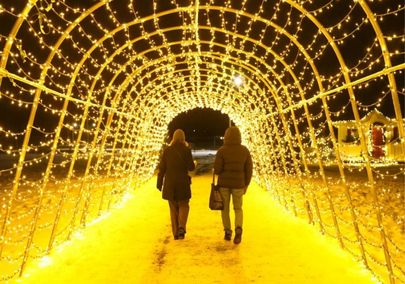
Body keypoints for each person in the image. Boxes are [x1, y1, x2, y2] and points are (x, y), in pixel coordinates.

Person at [213, 126, 253, 244]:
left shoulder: (222, 150)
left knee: (224, 208)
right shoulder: (244, 150)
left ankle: (227, 231)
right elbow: (249, 169)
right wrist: (246, 183)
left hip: (224, 184)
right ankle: (238, 228)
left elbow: (218, 169)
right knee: (238, 208)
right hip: (239, 184)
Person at [157, 129, 195, 240]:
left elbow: (162, 168)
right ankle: (181, 227)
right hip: (183, 182)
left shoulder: (167, 151)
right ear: (183, 138)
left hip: (170, 183)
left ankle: (175, 233)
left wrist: (159, 183)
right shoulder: (186, 150)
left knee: (173, 208)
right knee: (184, 205)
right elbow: (191, 167)